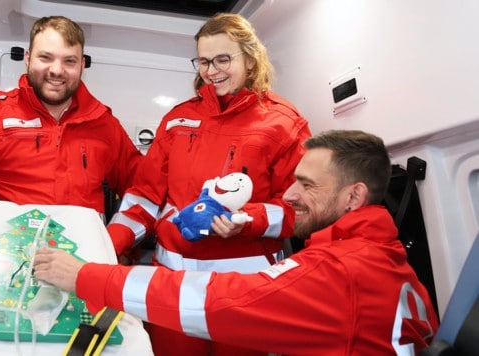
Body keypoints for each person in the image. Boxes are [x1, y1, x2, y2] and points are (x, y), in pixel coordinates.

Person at [34, 129, 440, 355]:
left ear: (354, 196)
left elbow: (214, 301)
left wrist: (86, 276)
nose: (291, 195)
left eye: (306, 184)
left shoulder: (339, 271)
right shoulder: (391, 262)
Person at [103, 12, 311, 355]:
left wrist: (247, 221)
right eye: (203, 61)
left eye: (223, 59)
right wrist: (108, 244)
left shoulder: (283, 123)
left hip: (244, 293)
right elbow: (143, 196)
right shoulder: (177, 118)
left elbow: (299, 207)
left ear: (249, 57)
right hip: (174, 288)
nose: (211, 71)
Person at [0, 16, 142, 261]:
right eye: (45, 58)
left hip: (83, 272)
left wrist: (111, 244)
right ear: (27, 59)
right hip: (10, 270)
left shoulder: (104, 125)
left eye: (69, 61)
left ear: (81, 67)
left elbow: (144, 190)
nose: (56, 70)